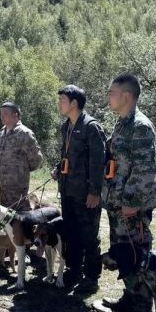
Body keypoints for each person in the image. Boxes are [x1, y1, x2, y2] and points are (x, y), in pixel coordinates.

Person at [93, 74, 156, 312]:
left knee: (137, 254)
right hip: (117, 202)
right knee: (123, 253)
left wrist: (132, 203)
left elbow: (144, 170)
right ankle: (129, 299)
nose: (108, 96)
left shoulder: (140, 126)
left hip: (131, 206)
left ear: (127, 96)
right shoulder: (122, 124)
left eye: (112, 92)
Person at [51, 85, 106, 293]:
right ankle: (74, 270)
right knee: (71, 232)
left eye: (62, 100)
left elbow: (98, 162)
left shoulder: (91, 127)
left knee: (89, 235)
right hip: (68, 190)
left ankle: (91, 277)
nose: (59, 104)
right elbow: (67, 156)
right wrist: (58, 169)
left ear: (74, 103)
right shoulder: (66, 127)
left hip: (85, 193)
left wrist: (94, 191)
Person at [0, 102, 43, 211]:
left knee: (19, 217)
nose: (2, 116)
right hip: (2, 184)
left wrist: (21, 170)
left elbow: (37, 159)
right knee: (5, 216)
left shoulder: (24, 133)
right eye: (1, 113)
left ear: (15, 115)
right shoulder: (2, 132)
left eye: (5, 113)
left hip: (17, 186)